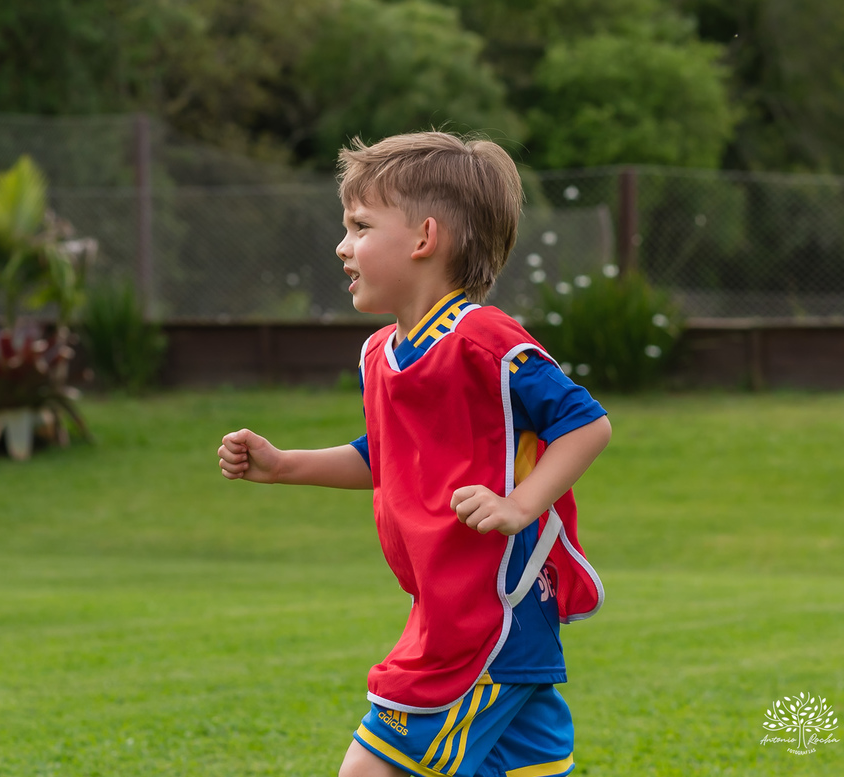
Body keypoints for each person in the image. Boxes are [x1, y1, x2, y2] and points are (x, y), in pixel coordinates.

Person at [218, 131, 611, 777]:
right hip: (452, 614)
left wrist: (520, 504)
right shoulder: (382, 353)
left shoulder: (482, 336)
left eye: (360, 226)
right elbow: (386, 455)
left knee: (370, 769)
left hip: (485, 618)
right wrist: (284, 464)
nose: (343, 246)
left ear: (425, 238)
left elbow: (585, 423)